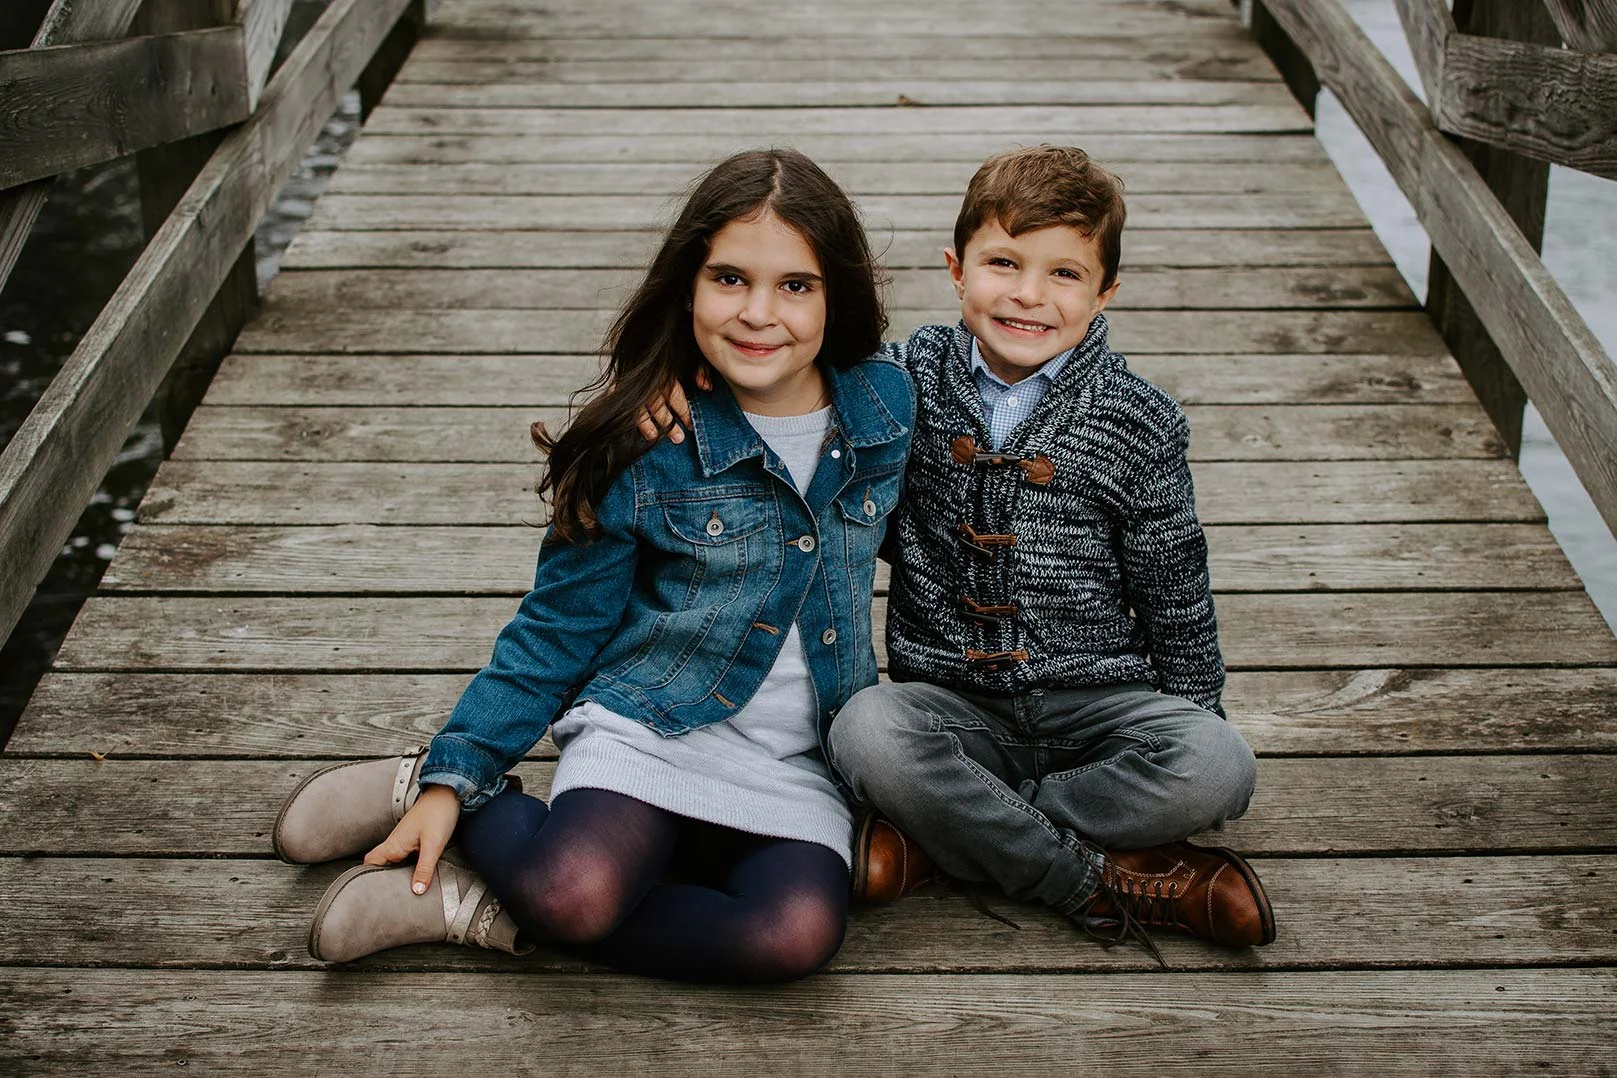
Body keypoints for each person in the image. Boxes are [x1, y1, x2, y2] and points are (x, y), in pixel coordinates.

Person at [271, 148, 913, 983]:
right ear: (688, 285)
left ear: (838, 294)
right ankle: (446, 795)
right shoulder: (648, 444)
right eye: (728, 279)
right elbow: (556, 628)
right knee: (575, 891)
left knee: (791, 937)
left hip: (795, 758)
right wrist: (458, 766)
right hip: (652, 723)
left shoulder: (887, 406)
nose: (759, 314)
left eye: (795, 285)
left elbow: (1001, 364)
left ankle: (483, 909)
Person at [646, 145, 1274, 960]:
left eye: (1063, 275)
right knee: (865, 732)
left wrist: (1193, 714)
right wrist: (678, 377)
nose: (1027, 295)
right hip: (950, 706)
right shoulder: (900, 380)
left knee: (1218, 767)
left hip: (1097, 707)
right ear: (956, 269)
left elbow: (1173, 586)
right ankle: (1089, 877)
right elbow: (780, 381)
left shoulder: (1139, 420)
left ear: (1104, 291)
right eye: (1002, 263)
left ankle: (944, 839)